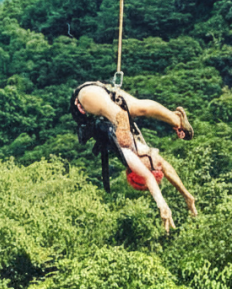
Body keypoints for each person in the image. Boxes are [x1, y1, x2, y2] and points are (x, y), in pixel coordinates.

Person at [70, 81, 197, 231]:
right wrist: (187, 196)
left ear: (143, 168)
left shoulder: (130, 156)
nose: (158, 162)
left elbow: (149, 179)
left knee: (118, 115)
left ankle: (122, 120)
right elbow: (167, 169)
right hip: (103, 100)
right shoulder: (143, 151)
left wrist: (162, 205)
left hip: (86, 100)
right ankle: (176, 119)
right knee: (139, 108)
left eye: (155, 167)